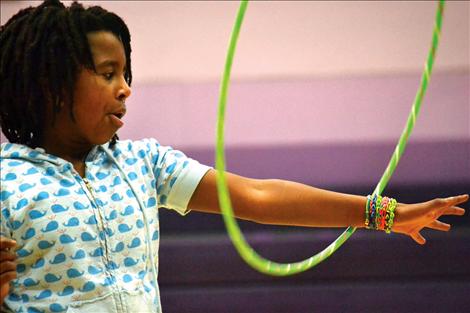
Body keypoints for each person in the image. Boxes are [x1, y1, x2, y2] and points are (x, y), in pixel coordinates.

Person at [0, 1, 467, 312]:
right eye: (107, 73)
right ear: (52, 85)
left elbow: (259, 196)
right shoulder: (6, 182)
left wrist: (383, 215)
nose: (126, 88)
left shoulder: (143, 164)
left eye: (126, 73)